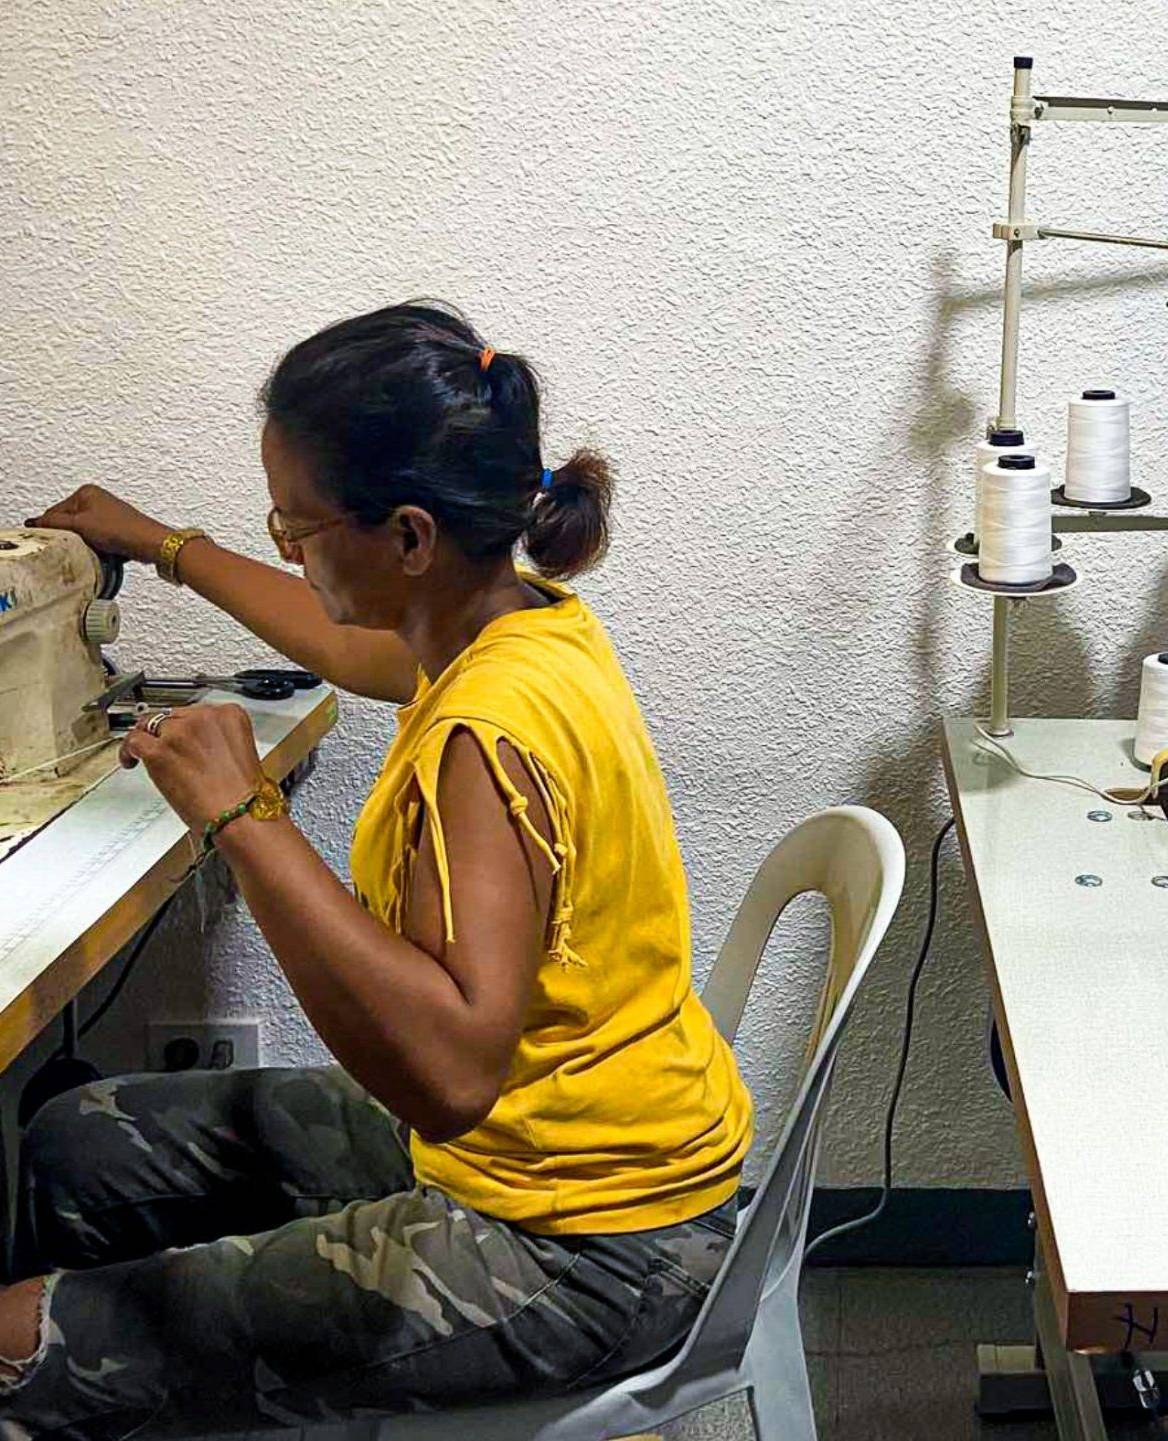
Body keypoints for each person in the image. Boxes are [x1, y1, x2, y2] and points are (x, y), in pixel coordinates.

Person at [13, 300, 753, 1437]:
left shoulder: (481, 736)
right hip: (578, 1142)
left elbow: (449, 1078)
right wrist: (164, 544)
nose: (288, 548)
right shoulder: (522, 623)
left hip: (586, 1241)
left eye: (298, 528)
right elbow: (344, 643)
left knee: (18, 1343)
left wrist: (244, 816)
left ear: (407, 538)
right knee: (77, 1143)